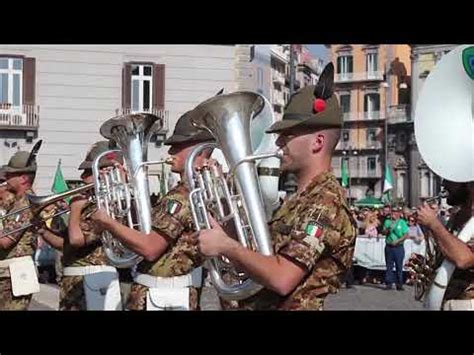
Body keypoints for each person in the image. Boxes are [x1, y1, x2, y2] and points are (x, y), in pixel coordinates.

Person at [197, 63, 357, 310]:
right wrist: (229, 231)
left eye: (288, 135)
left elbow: (282, 278)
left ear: (318, 142)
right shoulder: (303, 198)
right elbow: (269, 259)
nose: (278, 143)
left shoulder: (325, 201)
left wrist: (227, 246)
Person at [91, 108, 215, 311]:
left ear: (198, 151)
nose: (170, 152)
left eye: (177, 147)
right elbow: (145, 230)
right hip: (163, 295)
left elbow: (149, 248)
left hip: (163, 297)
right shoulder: (194, 190)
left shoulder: (183, 196)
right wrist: (126, 191)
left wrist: (108, 222)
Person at [59, 141, 123, 310]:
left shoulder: (109, 206)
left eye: (88, 172)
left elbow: (77, 240)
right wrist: (42, 230)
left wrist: (74, 209)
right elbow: (66, 245)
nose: (82, 178)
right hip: (75, 282)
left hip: (92, 284)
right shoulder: (90, 204)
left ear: (104, 173)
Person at [417, 180, 474, 310]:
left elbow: (463, 259)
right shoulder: (457, 217)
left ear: (468, 184)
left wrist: (434, 224)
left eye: (451, 179)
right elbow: (450, 258)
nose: (443, 184)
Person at [0, 145, 42, 310]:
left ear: (23, 178)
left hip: (16, 276)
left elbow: (5, 241)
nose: (6, 178)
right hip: (8, 274)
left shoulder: (25, 202)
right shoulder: (16, 201)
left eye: (10, 175)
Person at [382, 206, 409, 290]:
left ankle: (399, 283)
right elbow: (384, 232)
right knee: (389, 265)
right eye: (392, 212)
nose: (393, 214)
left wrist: (397, 241)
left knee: (399, 266)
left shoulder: (402, 222)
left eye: (395, 212)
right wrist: (389, 228)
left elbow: (406, 235)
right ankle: (388, 283)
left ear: (398, 214)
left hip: (398, 247)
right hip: (389, 246)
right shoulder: (387, 222)